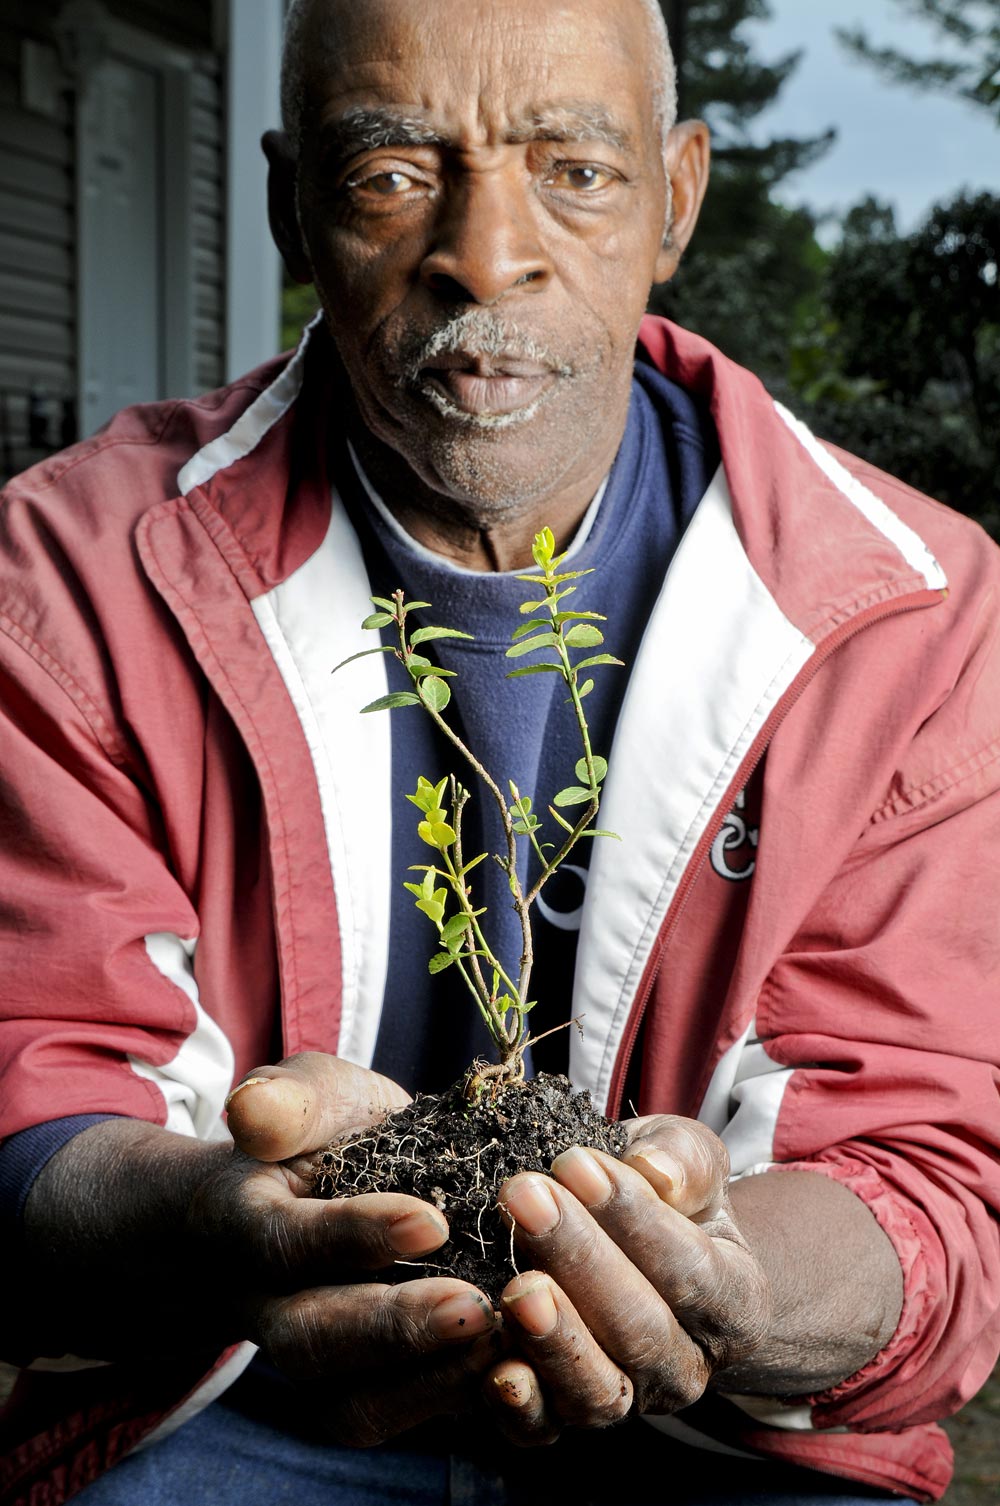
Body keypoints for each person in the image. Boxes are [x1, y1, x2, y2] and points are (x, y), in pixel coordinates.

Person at [1, 0, 998, 1502]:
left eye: (574, 170)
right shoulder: (67, 583)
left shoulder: (912, 618)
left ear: (676, 199)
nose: (487, 253)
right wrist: (217, 1220)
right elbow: (35, 1086)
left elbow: (923, 1170)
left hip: (721, 1442)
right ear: (289, 208)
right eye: (393, 172)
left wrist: (720, 1276)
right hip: (236, 1397)